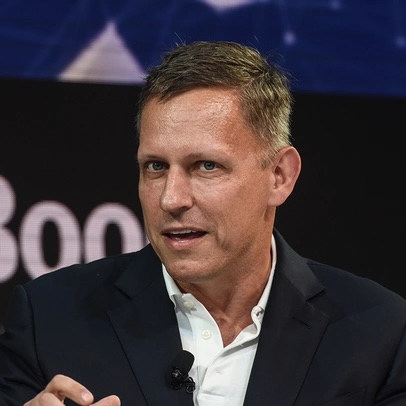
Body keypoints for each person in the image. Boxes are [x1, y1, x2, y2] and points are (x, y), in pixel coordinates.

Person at [0, 41, 405, 406]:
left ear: (279, 176)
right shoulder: (47, 321)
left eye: (206, 166)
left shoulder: (380, 333)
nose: (171, 199)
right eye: (155, 166)